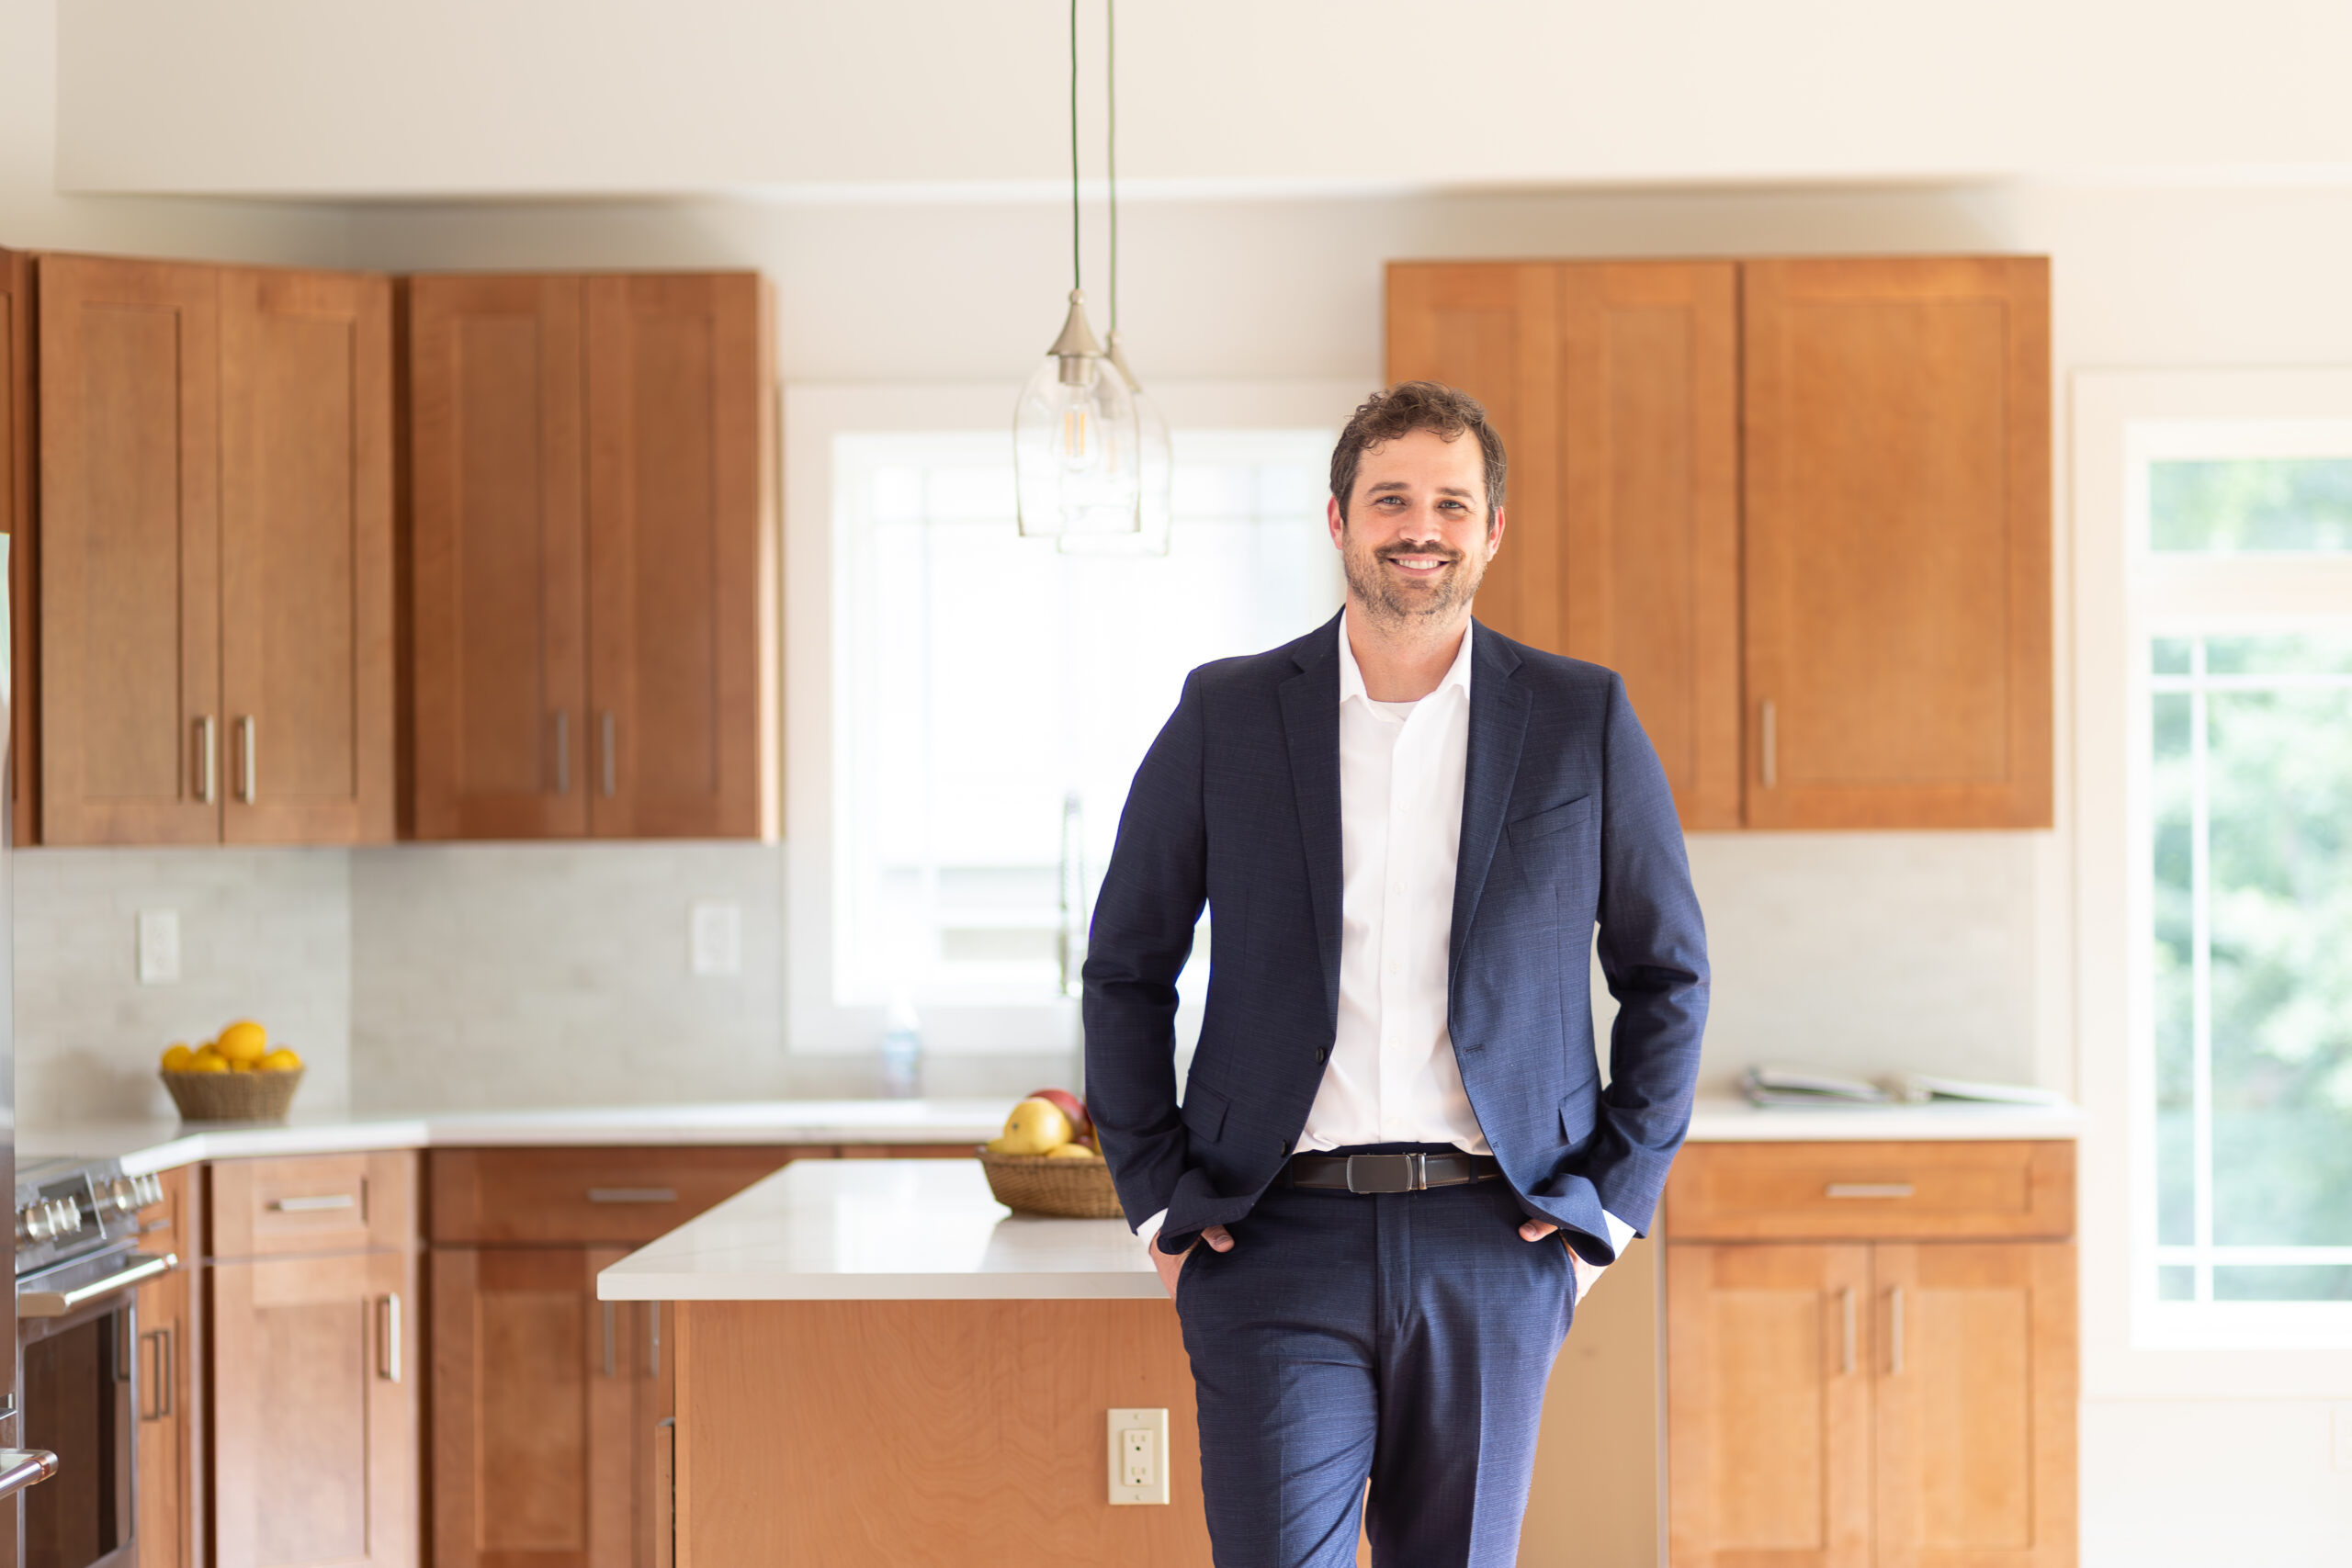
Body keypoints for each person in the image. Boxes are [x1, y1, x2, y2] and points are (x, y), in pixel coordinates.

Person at [1083, 380, 1710, 1567]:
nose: (1418, 526)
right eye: (1390, 499)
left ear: (1491, 530)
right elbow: (1126, 966)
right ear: (1337, 521)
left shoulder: (1582, 719)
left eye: (1448, 502)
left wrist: (1610, 1213)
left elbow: (1668, 976)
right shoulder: (1226, 714)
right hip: (1271, 1241)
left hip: (1497, 1237)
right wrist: (1159, 1198)